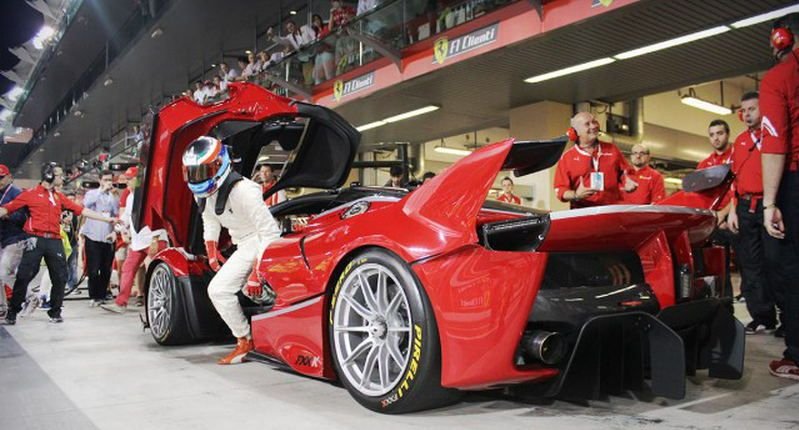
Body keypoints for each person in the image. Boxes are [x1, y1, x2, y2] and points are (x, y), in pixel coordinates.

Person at [182, 137, 280, 364]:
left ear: (220, 165)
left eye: (203, 170)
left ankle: (245, 341)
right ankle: (267, 329)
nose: (198, 178)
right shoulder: (203, 193)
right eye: (193, 172)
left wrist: (258, 270)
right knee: (250, 291)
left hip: (258, 241)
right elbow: (210, 218)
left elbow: (270, 232)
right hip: (243, 244)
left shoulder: (245, 191)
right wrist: (211, 248)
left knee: (219, 290)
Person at [0, 163, 117, 324]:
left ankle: (55, 312)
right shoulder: (30, 194)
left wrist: (106, 218)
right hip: (35, 239)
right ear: (49, 175)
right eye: (59, 174)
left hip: (55, 240)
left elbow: (80, 210)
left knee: (60, 277)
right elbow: (8, 208)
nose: (62, 177)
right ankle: (13, 312)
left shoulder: (58, 196)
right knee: (23, 276)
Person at [760, 13, 799, 380]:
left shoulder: (779, 78)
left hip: (794, 179)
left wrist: (770, 202)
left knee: (791, 267)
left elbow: (775, 142)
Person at [726, 92, 779, 334]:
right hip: (746, 207)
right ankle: (762, 317)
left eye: (752, 109)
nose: (747, 114)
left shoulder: (773, 135)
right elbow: (734, 181)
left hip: (769, 205)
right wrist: (733, 211)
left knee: (776, 262)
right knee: (751, 264)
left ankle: (788, 319)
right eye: (744, 110)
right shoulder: (739, 142)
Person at [101, 167, 166, 313]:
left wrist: (156, 238)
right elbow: (127, 217)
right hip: (138, 241)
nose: (127, 182)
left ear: (139, 179)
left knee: (155, 271)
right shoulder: (130, 196)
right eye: (127, 179)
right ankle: (121, 303)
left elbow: (158, 216)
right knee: (127, 269)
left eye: (130, 179)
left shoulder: (151, 193)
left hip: (153, 239)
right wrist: (118, 228)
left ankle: (156, 302)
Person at [554, 112, 633, 209]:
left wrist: (628, 181)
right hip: (583, 212)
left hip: (612, 209)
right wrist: (576, 195)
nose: (594, 126)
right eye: (587, 124)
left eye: (594, 121)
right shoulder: (567, 158)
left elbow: (625, 172)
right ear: (576, 132)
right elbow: (560, 190)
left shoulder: (612, 149)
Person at [80, 170, 120, 306]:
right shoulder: (92, 194)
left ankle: (102, 294)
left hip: (107, 237)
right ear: (100, 181)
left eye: (110, 180)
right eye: (106, 180)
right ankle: (93, 295)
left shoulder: (113, 196)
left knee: (106, 267)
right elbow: (86, 205)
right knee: (93, 267)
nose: (108, 182)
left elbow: (115, 214)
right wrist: (101, 190)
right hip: (93, 235)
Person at [0, 165, 27, 318]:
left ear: (9, 176)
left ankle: (28, 297)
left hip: (15, 238)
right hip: (2, 238)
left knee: (4, 272)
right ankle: (2, 307)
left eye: (1, 177)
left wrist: (7, 215)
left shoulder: (16, 193)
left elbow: (24, 217)